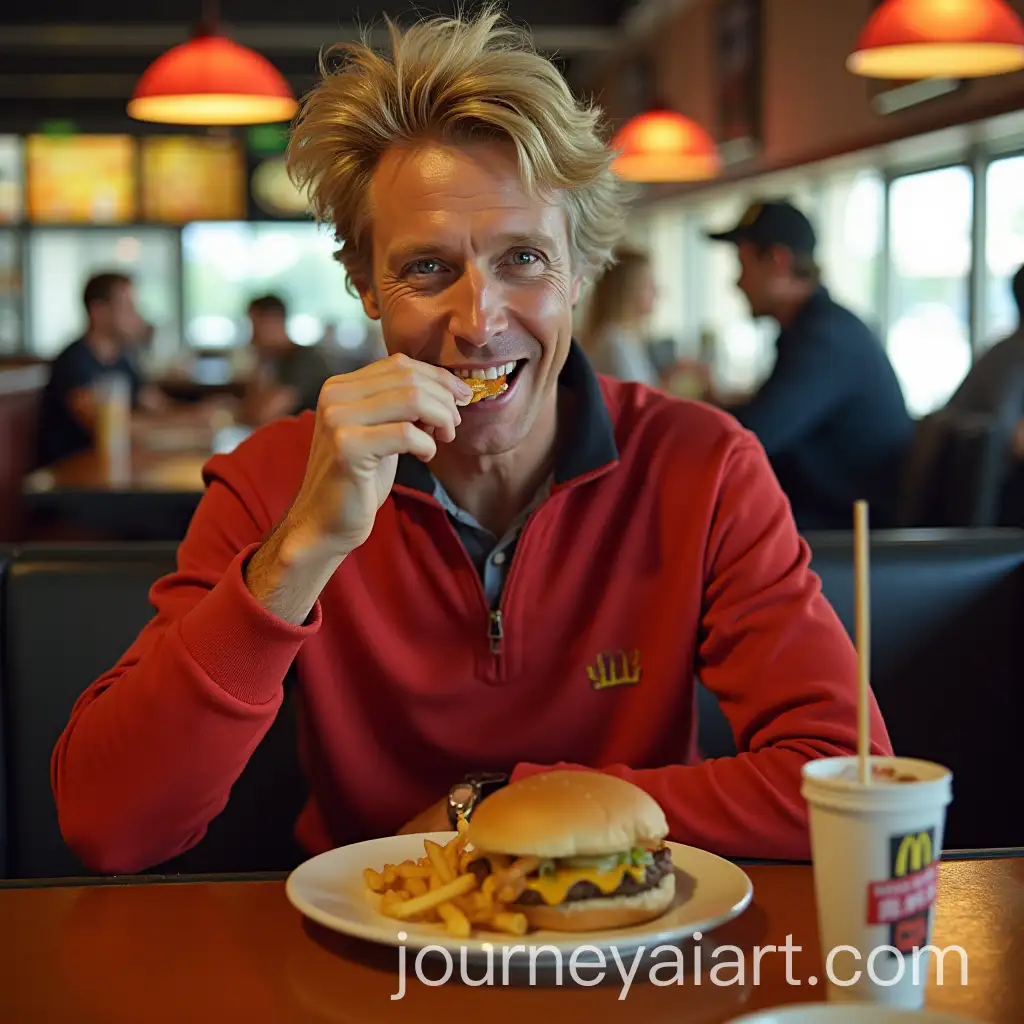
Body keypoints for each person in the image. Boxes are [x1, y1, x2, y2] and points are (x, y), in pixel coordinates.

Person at [51, 7, 891, 875]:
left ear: (580, 271)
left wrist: (496, 810)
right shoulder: (273, 480)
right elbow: (111, 824)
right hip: (364, 938)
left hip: (636, 933)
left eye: (523, 259)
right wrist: (300, 550)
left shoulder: (704, 467)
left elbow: (846, 782)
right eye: (427, 268)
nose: (479, 322)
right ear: (365, 286)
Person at [706, 200, 915, 530]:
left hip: (848, 534)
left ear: (778, 261)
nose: (738, 283)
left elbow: (752, 436)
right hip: (826, 516)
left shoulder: (825, 339)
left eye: (744, 265)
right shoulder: (815, 328)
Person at [36, 272, 169, 465]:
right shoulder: (74, 361)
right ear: (98, 312)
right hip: (74, 475)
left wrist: (199, 417)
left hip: (115, 467)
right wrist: (176, 429)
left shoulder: (122, 359)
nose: (137, 317)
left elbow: (158, 406)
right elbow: (109, 428)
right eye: (128, 308)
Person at [239, 294, 332, 425]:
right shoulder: (273, 359)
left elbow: (264, 415)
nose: (252, 337)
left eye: (254, 326)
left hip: (310, 435)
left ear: (274, 322)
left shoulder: (305, 360)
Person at [579, 246, 661, 386]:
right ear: (627, 290)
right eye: (648, 284)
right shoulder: (614, 345)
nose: (656, 291)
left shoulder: (626, 338)